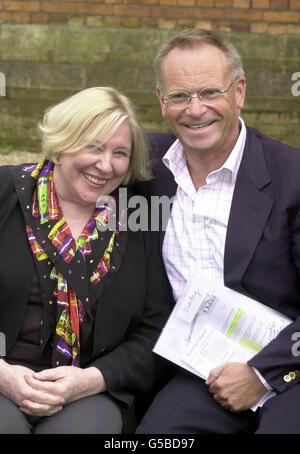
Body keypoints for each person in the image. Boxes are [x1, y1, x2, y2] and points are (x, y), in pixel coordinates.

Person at [135, 29, 300, 434]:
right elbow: (73, 163)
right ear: (161, 100)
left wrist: (262, 373)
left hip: (289, 367)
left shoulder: (292, 176)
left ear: (239, 91)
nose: (195, 110)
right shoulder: (143, 167)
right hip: (199, 373)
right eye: (179, 96)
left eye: (210, 92)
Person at [0, 86, 171, 434]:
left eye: (120, 152)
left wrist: (88, 381)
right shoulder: (5, 192)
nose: (105, 165)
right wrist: (3, 376)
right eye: (93, 146)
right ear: (63, 143)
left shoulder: (137, 217)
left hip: (90, 391)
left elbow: (155, 332)